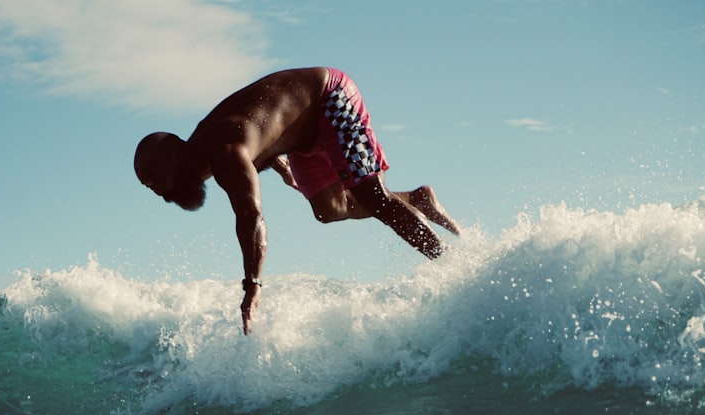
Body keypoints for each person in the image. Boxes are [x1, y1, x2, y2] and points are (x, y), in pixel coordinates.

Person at [134, 67, 461, 334]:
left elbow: (251, 216)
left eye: (154, 179)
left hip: (329, 98)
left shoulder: (223, 154)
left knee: (372, 196)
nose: (158, 192)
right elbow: (257, 131)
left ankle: (452, 271)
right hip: (301, 135)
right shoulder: (203, 151)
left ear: (175, 156)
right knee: (328, 210)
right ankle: (417, 199)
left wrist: (253, 286)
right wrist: (280, 167)